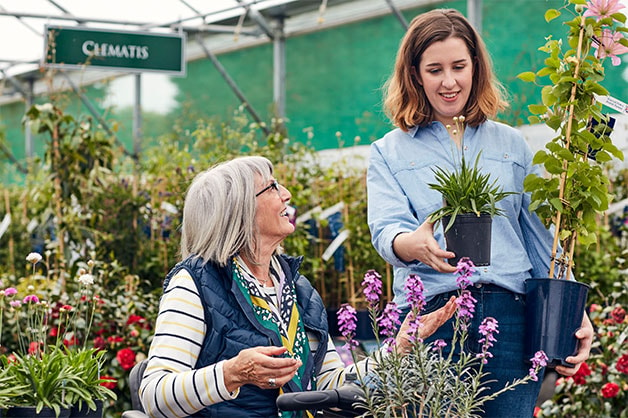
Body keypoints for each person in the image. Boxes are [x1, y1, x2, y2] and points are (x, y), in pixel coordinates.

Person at [366, 8, 594, 418]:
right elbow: (386, 230)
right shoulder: (389, 150)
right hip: (430, 316)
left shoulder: (512, 144)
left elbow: (543, 239)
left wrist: (575, 313)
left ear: (476, 67)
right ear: (415, 74)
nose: (449, 81)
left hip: (511, 319)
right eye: (434, 69)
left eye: (459, 66)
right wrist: (412, 244)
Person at [139, 156, 457, 418]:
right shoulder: (196, 283)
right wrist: (232, 373)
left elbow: (330, 383)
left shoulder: (297, 288)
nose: (287, 194)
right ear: (239, 209)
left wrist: (399, 347)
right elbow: (154, 396)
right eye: (273, 187)